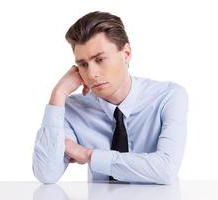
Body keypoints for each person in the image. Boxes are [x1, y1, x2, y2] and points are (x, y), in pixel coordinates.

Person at [32, 11, 189, 185]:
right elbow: (46, 174)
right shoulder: (71, 109)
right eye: (83, 64)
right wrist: (58, 94)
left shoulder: (168, 97)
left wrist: (89, 155)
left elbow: (165, 170)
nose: (91, 74)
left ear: (126, 53)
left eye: (99, 59)